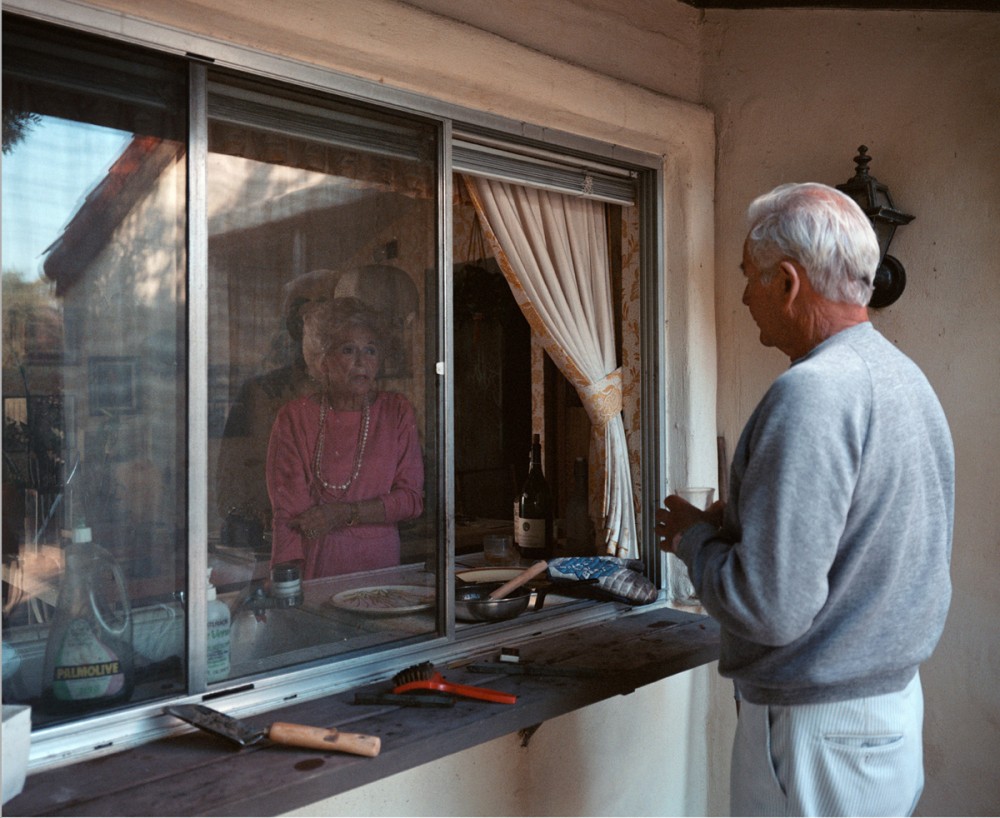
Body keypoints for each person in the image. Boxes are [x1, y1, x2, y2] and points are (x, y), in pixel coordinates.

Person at [656, 182, 954, 817]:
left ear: (788, 283)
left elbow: (770, 608)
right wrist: (743, 525)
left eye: (748, 277)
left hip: (819, 728)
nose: (741, 296)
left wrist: (693, 540)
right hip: (884, 711)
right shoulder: (904, 377)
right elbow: (863, 539)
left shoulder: (811, 394)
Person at [266, 297, 424, 579]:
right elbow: (289, 516)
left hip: (381, 569)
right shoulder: (294, 417)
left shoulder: (396, 411)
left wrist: (341, 514)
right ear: (323, 360)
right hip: (319, 566)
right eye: (348, 350)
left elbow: (411, 500)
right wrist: (286, 585)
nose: (362, 362)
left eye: (371, 350)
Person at [215, 269, 339, 549]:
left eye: (322, 300)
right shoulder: (259, 391)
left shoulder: (356, 392)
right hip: (277, 536)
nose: (311, 309)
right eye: (301, 304)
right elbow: (233, 479)